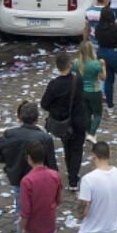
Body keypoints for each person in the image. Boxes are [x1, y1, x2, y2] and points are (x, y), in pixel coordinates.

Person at [0, 101, 58, 212]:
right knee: (40, 209)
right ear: (37, 118)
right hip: (39, 180)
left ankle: (22, 228)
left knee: (22, 211)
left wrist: (7, 161)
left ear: (20, 117)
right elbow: (51, 163)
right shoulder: (45, 138)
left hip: (18, 178)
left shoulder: (11, 134)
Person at [15, 142, 61, 233]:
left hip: (32, 224)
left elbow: (26, 210)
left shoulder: (27, 181)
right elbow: (58, 199)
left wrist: (23, 227)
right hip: (48, 221)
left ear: (29, 158)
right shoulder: (55, 175)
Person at [41, 52, 86, 190]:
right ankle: (73, 179)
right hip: (78, 120)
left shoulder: (54, 85)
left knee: (67, 147)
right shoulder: (78, 80)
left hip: (62, 123)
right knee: (77, 149)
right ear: (70, 65)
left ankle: (70, 172)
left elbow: (44, 104)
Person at [75, 41, 105, 143]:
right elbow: (103, 78)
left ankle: (90, 133)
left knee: (87, 114)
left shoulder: (76, 63)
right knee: (97, 114)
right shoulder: (96, 64)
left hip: (82, 92)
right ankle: (92, 134)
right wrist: (103, 65)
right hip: (94, 91)